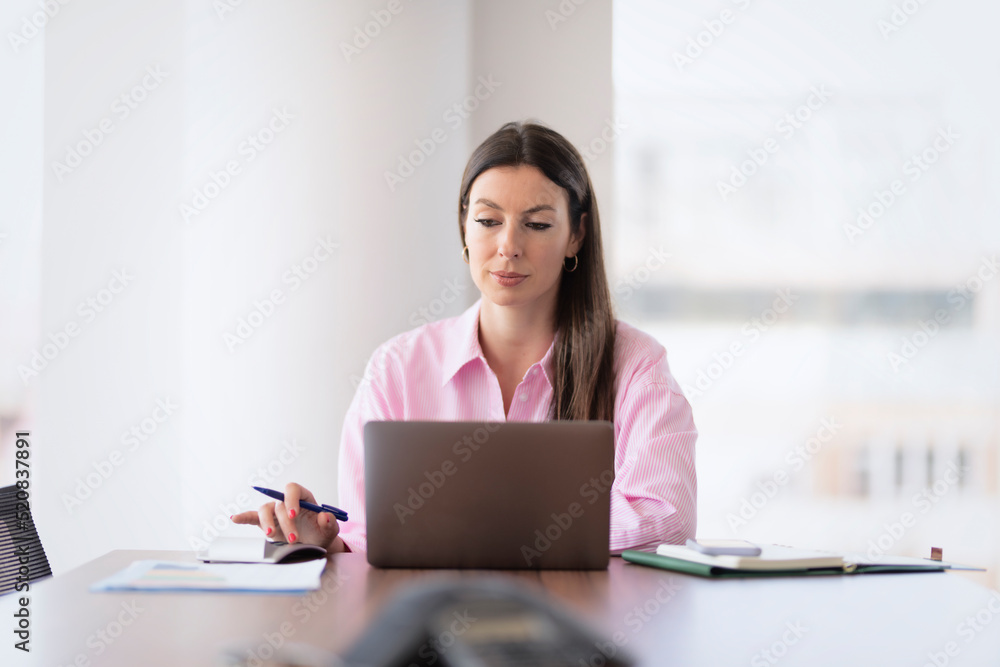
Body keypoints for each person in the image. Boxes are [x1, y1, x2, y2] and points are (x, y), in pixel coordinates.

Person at [232, 121, 697, 554]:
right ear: (464, 227)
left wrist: (480, 522)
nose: (508, 246)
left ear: (576, 234)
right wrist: (325, 541)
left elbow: (667, 519)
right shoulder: (397, 368)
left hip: (578, 628)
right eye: (488, 220)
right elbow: (367, 535)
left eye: (536, 224)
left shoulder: (635, 365)